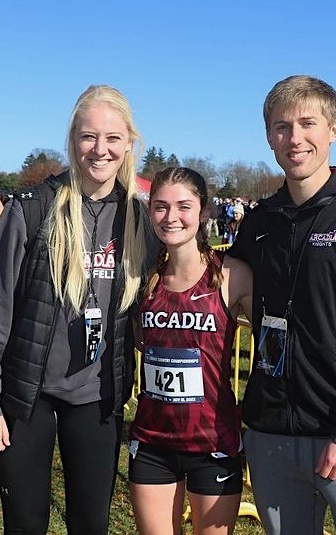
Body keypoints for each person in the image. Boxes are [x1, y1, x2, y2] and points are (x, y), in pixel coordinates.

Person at [0, 85, 153, 535]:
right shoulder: (32, 209)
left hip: (97, 398)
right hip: (26, 396)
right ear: (73, 140)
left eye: (112, 138)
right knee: (26, 521)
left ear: (129, 142)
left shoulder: (139, 218)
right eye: (89, 137)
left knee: (90, 523)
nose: (100, 149)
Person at [226, 75, 336, 535]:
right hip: (272, 435)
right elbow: (217, 287)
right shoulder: (259, 221)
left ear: (335, 129)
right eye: (282, 126)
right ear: (269, 136)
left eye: (308, 123)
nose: (295, 138)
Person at [127, 167, 253, 535]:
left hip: (213, 442)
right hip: (152, 441)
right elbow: (138, 340)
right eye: (161, 207)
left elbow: (275, 344)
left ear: (203, 210)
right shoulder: (141, 277)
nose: (171, 217)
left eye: (183, 206)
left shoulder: (234, 276)